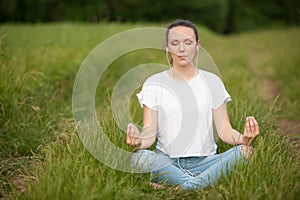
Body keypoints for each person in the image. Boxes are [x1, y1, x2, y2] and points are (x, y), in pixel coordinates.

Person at [126, 19, 259, 190]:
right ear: (167, 47)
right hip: (167, 162)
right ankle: (203, 183)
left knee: (247, 152)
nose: (182, 49)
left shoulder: (212, 82)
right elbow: (149, 133)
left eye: (188, 42)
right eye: (175, 43)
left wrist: (245, 139)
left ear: (197, 46)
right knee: (138, 158)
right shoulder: (154, 83)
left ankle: (179, 188)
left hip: (206, 161)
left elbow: (225, 131)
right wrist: (137, 143)